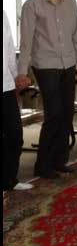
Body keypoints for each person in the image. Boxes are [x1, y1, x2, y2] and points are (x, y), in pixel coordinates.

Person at [17, 0, 77, 178]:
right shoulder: (32, 5)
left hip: (68, 63)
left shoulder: (71, 3)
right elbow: (26, 42)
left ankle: (59, 161)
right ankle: (43, 165)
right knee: (53, 114)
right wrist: (22, 72)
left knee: (66, 113)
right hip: (45, 65)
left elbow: (76, 35)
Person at [4, 10, 33, 191]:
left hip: (6, 85)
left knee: (14, 135)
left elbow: (8, 48)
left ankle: (9, 180)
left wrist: (16, 77)